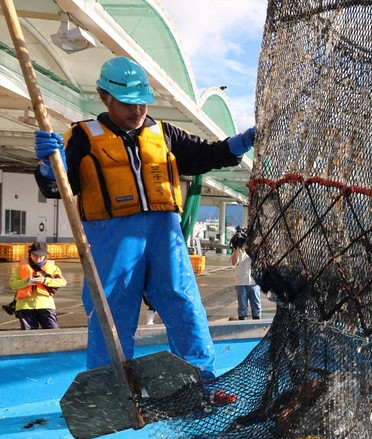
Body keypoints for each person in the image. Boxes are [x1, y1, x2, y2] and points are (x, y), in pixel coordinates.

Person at [33, 56, 255, 380]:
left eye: (142, 104)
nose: (137, 111)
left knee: (185, 307)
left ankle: (200, 381)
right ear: (104, 97)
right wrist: (47, 165)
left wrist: (242, 142)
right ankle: (110, 389)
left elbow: (206, 154)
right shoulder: (81, 137)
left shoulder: (163, 133)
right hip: (111, 238)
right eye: (127, 104)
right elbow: (59, 187)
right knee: (111, 315)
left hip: (166, 235)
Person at [8, 241, 67, 330]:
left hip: (46, 305)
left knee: (52, 333)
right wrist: (27, 281)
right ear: (30, 254)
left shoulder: (52, 267)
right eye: (35, 255)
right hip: (25, 306)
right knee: (28, 336)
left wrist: (45, 280)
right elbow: (12, 284)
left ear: (45, 256)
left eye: (41, 256)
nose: (38, 258)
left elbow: (62, 282)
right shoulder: (21, 267)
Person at [230, 227, 261, 320]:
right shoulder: (238, 251)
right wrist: (236, 248)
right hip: (241, 282)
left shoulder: (254, 249)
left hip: (253, 282)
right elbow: (234, 262)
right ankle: (242, 320)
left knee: (256, 304)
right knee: (242, 305)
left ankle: (257, 320)